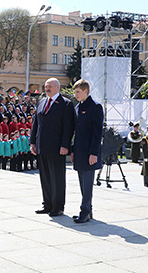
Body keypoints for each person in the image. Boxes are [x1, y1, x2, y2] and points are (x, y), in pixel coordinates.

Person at [30, 77, 75, 217]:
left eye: (49, 86)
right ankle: (47, 204)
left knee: (57, 178)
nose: (47, 89)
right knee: (45, 177)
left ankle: (58, 206)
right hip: (41, 146)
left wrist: (65, 145)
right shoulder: (42, 101)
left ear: (57, 87)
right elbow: (35, 124)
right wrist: (32, 142)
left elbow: (69, 127)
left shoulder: (66, 104)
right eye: (45, 86)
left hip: (57, 148)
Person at [71, 79, 103, 223]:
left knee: (88, 183)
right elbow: (76, 132)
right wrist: (73, 150)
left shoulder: (95, 107)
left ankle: (85, 211)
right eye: (75, 92)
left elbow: (97, 132)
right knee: (82, 183)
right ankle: (87, 210)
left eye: (78, 92)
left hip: (90, 152)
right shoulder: (78, 107)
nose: (75, 94)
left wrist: (94, 153)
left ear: (85, 91)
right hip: (79, 151)